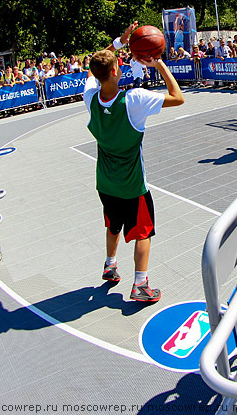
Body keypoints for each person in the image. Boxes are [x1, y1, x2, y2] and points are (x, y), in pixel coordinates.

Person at [83, 22, 184, 303]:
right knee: (143, 232)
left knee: (113, 224)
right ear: (116, 70)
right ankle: (140, 285)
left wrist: (117, 44)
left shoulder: (89, 97)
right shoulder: (134, 99)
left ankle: (110, 264)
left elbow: (96, 65)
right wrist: (158, 63)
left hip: (104, 182)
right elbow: (178, 97)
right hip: (132, 185)